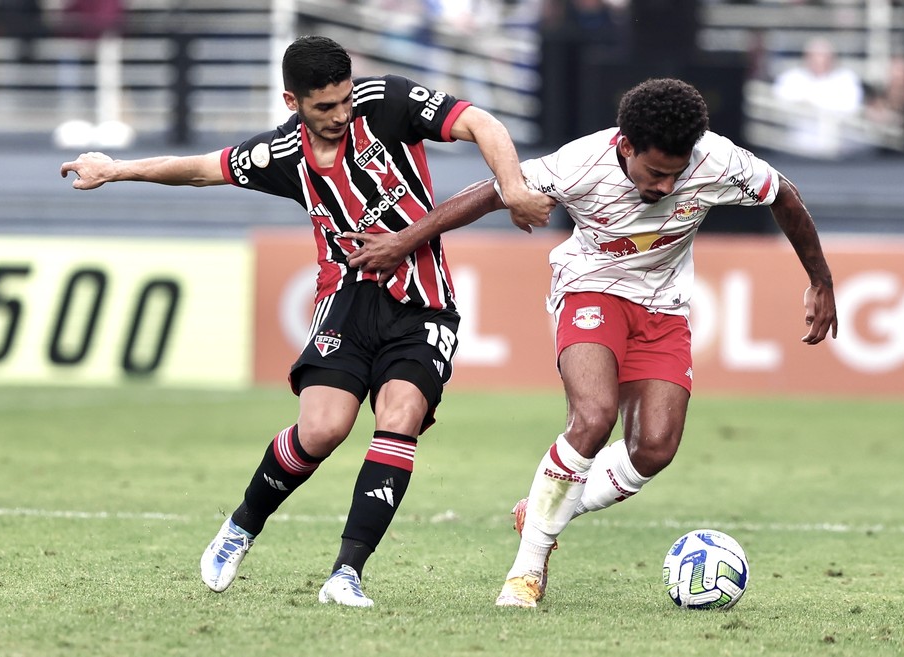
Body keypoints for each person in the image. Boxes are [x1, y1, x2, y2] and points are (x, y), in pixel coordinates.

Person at [60, 34, 552, 607]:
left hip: (423, 304)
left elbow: (484, 124)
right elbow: (197, 169)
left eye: (345, 100)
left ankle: (347, 573)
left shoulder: (387, 102)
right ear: (292, 101)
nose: (342, 114)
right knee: (323, 429)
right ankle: (242, 525)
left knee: (401, 417)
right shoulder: (280, 155)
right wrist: (115, 169)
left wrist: (513, 189)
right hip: (345, 299)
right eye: (325, 106)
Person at [342, 77, 839, 607]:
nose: (667, 188)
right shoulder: (580, 164)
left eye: (676, 176)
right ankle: (527, 571)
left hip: (664, 306)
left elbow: (784, 194)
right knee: (595, 417)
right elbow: (487, 194)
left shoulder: (717, 160)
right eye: (655, 173)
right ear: (625, 145)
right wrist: (402, 241)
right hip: (589, 290)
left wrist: (820, 279)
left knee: (655, 448)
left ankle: (546, 505)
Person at [772, 37, 864, 158]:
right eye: (815, 56)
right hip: (796, 150)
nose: (819, 60)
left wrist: (809, 101)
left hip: (837, 152)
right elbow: (780, 102)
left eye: (824, 56)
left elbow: (851, 107)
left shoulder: (846, 79)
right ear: (807, 57)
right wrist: (827, 102)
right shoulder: (791, 78)